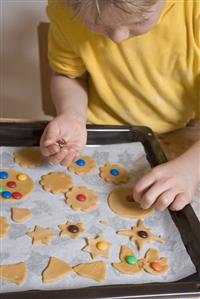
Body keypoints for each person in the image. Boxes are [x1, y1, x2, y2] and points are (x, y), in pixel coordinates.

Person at [40, 0, 200, 212]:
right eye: (98, 23)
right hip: (95, 133)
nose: (118, 37)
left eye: (141, 20)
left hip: (182, 139)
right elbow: (69, 75)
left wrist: (191, 168)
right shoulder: (65, 8)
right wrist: (72, 114)